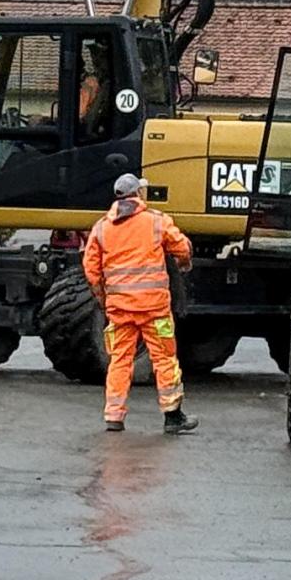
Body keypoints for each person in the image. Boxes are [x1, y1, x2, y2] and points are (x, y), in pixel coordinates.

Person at [82, 172, 198, 434]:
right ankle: (172, 417)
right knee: (164, 359)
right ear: (138, 194)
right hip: (155, 310)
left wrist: (104, 299)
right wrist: (184, 263)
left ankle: (114, 416)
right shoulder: (156, 222)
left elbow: (91, 271)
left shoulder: (101, 227)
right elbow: (181, 247)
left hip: (120, 311)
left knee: (120, 360)